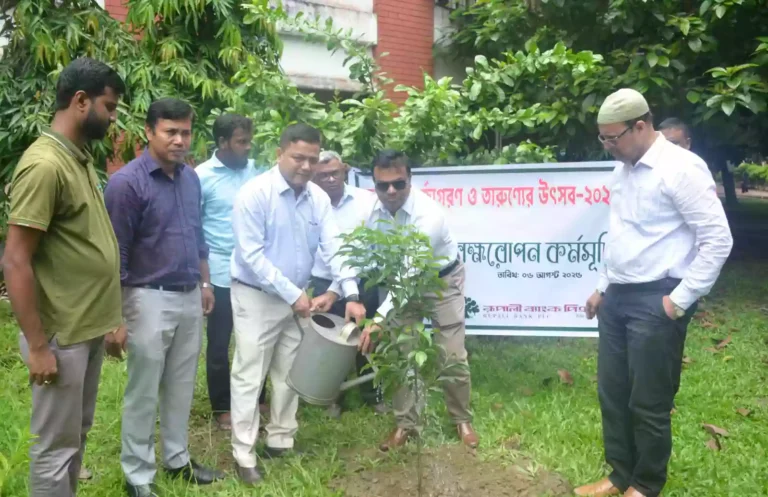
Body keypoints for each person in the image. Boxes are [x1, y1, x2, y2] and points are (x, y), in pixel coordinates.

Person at [576, 89, 733, 497]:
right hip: (617, 297)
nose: (608, 146)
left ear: (641, 126)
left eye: (613, 138)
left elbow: (717, 239)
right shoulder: (623, 170)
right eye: (603, 138)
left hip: (658, 298)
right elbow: (622, 234)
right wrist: (602, 286)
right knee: (612, 393)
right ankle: (619, 475)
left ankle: (645, 484)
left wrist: (678, 300)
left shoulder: (681, 168)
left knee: (648, 400)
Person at [2, 57, 126, 497]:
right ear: (80, 101)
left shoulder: (78, 158)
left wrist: (111, 318)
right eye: (109, 107)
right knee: (54, 449)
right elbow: (15, 260)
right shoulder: (45, 165)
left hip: (86, 328)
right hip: (61, 334)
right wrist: (38, 347)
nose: (113, 118)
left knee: (75, 439)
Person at [229, 123, 367, 486]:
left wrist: (351, 294)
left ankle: (280, 440)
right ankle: (243, 454)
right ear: (279, 154)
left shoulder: (317, 198)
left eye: (312, 159)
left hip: (296, 299)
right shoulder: (254, 194)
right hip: (256, 297)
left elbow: (335, 247)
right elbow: (251, 255)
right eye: (298, 158)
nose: (306, 166)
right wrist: (293, 293)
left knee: (289, 370)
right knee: (250, 374)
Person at [104, 98, 224, 497]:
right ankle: (137, 475)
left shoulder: (190, 179)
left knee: (181, 384)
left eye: (185, 132)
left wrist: (205, 284)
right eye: (170, 132)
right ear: (149, 131)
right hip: (146, 297)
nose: (179, 140)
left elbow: (197, 235)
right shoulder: (126, 183)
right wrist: (114, 316)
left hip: (189, 294)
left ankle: (177, 459)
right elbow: (116, 253)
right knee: (143, 390)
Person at [358, 150, 478, 452]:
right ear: (374, 183)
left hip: (440, 281)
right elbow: (367, 258)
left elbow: (411, 272)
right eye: (383, 185)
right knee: (403, 353)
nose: (391, 191)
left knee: (451, 353)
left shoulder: (429, 215)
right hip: (399, 283)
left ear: (410, 179)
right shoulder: (371, 212)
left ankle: (461, 419)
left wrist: (379, 319)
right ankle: (406, 424)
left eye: (398, 183)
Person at [196, 114, 267, 431]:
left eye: (249, 140)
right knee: (219, 344)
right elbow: (194, 228)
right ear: (222, 142)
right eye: (241, 142)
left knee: (256, 341)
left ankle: (258, 398)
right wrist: (204, 281)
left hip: (255, 273)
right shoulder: (201, 177)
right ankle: (223, 406)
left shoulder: (257, 172)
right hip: (220, 273)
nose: (248, 147)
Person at [308, 150, 387, 418]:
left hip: (363, 281)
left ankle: (372, 393)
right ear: (314, 176)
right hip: (323, 282)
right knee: (331, 341)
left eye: (335, 173)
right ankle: (332, 396)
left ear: (346, 169)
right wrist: (333, 288)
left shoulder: (367, 201)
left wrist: (341, 287)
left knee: (366, 338)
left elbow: (367, 250)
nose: (330, 179)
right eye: (322, 175)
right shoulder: (308, 204)